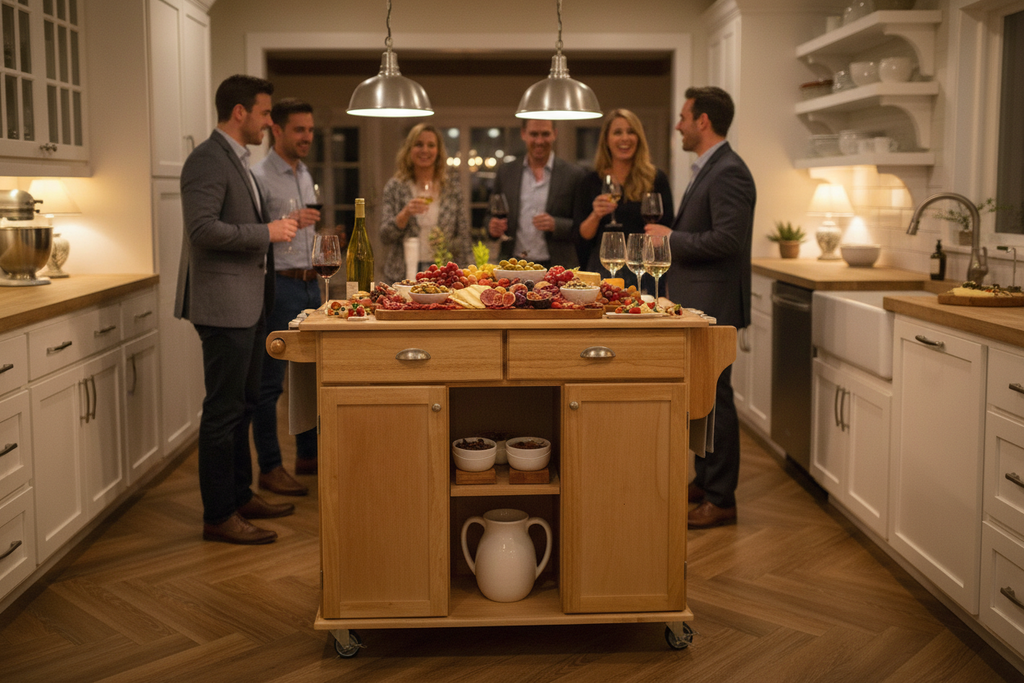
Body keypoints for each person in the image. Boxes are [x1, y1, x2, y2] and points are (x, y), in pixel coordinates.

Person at [174, 74, 299, 545]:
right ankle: (218, 515)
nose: (270, 122)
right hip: (222, 306)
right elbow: (202, 229)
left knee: (244, 405)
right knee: (223, 413)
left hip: (247, 304)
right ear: (241, 112)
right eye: (266, 113)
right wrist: (265, 233)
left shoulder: (237, 159)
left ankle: (242, 495)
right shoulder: (206, 160)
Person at [645, 86, 756, 530]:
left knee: (718, 400)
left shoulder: (729, 171)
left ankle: (721, 498)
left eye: (683, 117)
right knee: (704, 400)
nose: (678, 125)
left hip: (715, 303)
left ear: (703, 121)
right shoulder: (712, 166)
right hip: (698, 300)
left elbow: (728, 240)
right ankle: (705, 478)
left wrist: (669, 237)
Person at [250, 98, 321, 493]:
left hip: (311, 281)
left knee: (311, 374)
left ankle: (308, 456)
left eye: (310, 130)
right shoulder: (259, 176)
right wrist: (290, 221)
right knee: (270, 383)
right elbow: (255, 231)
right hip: (280, 285)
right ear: (277, 130)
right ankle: (270, 467)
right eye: (299, 130)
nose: (307, 137)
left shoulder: (304, 171)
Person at [575, 109, 674, 287]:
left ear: (639, 138)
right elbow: (582, 235)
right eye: (617, 132)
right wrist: (596, 215)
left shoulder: (655, 179)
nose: (625, 138)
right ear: (606, 139)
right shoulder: (590, 180)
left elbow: (667, 229)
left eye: (631, 131)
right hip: (604, 267)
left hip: (644, 268)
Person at [380, 123, 472, 284]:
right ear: (409, 150)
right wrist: (405, 213)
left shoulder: (451, 187)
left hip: (442, 272)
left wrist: (468, 274)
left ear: (438, 151)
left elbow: (463, 235)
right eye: (418, 144)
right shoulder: (395, 186)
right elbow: (385, 236)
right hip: (403, 272)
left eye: (431, 145)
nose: (425, 150)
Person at [487, 119, 585, 268]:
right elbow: (490, 216)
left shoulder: (573, 174)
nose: (539, 141)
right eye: (534, 134)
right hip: (514, 263)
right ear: (523, 134)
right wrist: (492, 227)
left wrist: (556, 225)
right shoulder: (506, 171)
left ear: (555, 134)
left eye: (545, 134)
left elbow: (583, 226)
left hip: (558, 266)